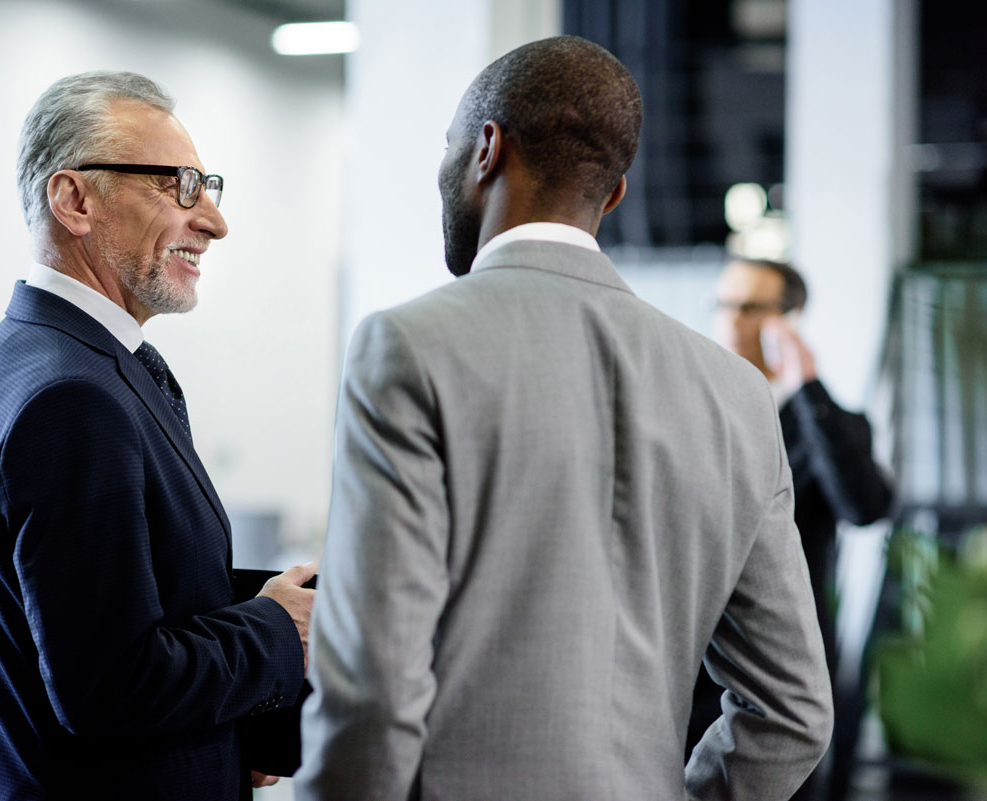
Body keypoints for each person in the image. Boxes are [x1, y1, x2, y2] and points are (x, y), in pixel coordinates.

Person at [296, 36, 833, 801]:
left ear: (486, 148)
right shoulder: (736, 393)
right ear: (611, 197)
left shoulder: (408, 346)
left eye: (448, 147)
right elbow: (794, 712)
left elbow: (375, 692)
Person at [0, 71, 314, 801]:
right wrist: (278, 630)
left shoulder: (20, 358)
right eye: (177, 185)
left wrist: (238, 723)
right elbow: (111, 684)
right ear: (74, 200)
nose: (212, 220)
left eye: (207, 185)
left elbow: (119, 610)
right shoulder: (72, 395)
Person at [689, 257, 894, 799]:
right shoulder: (690, 412)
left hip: (781, 673)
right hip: (688, 665)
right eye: (724, 305)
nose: (732, 321)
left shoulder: (826, 422)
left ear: (789, 316)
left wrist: (806, 383)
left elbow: (865, 504)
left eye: (750, 307)